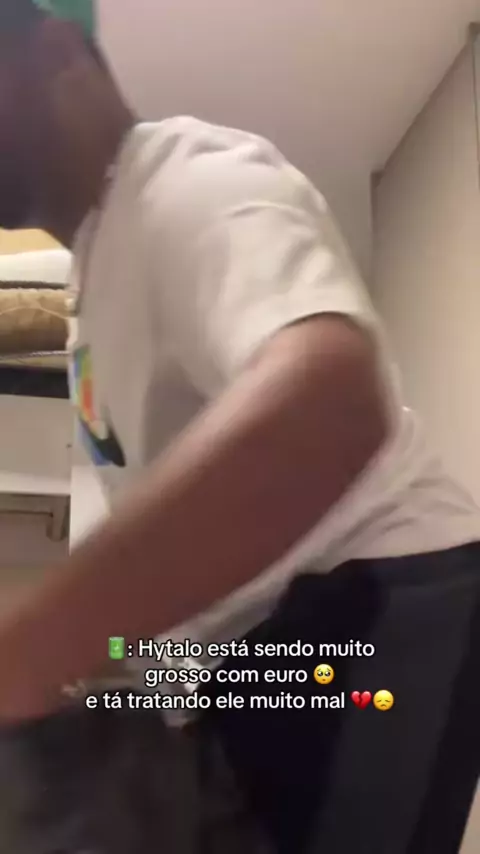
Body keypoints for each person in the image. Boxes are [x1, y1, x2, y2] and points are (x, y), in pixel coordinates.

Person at [0, 1, 479, 851]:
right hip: (256, 654)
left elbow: (326, 402)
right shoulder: (98, 272)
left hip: (364, 610)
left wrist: (38, 642)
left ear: (57, 50)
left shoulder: (190, 177)